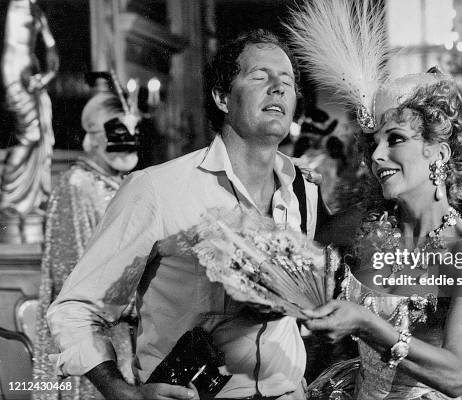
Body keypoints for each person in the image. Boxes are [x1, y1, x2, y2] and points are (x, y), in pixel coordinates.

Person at [47, 30, 323, 400]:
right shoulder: (156, 190)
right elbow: (75, 309)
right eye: (260, 76)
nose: (278, 88)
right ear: (222, 97)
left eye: (287, 81)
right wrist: (121, 392)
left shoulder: (303, 190)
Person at [286, 1, 462, 398]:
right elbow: (292, 277)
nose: (376, 155)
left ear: (439, 152)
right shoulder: (353, 226)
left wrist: (367, 324)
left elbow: (454, 374)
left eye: (396, 139)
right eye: (373, 142)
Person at [32, 74, 140, 400]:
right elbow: (69, 275)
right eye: (118, 133)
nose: (129, 142)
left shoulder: (125, 184)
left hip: (124, 330)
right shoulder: (76, 185)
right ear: (92, 139)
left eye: (135, 133)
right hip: (90, 336)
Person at [0, 0, 59, 218]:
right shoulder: (14, 7)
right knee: (31, 133)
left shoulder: (37, 11)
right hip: (15, 75)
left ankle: (26, 198)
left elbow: (52, 50)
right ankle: (8, 194)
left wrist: (47, 76)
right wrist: (24, 78)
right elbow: (12, 47)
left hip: (31, 75)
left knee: (38, 132)